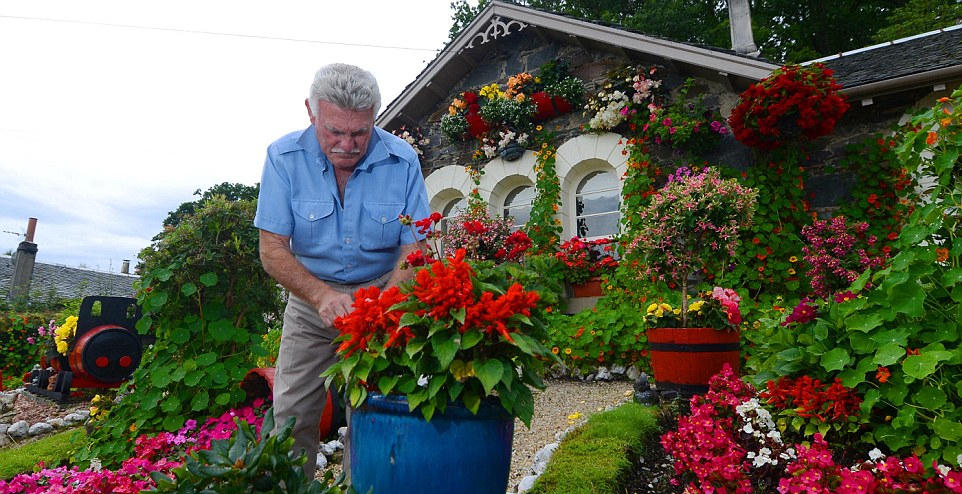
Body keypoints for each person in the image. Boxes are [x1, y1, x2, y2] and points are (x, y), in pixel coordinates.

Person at [253, 63, 430, 478]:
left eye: (360, 132)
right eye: (335, 131)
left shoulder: (402, 160)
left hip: (382, 301)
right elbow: (272, 249)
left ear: (374, 118)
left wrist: (382, 307)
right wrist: (321, 296)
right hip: (310, 303)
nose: (347, 144)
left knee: (377, 414)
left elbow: (416, 249)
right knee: (292, 416)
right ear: (311, 113)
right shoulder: (283, 158)